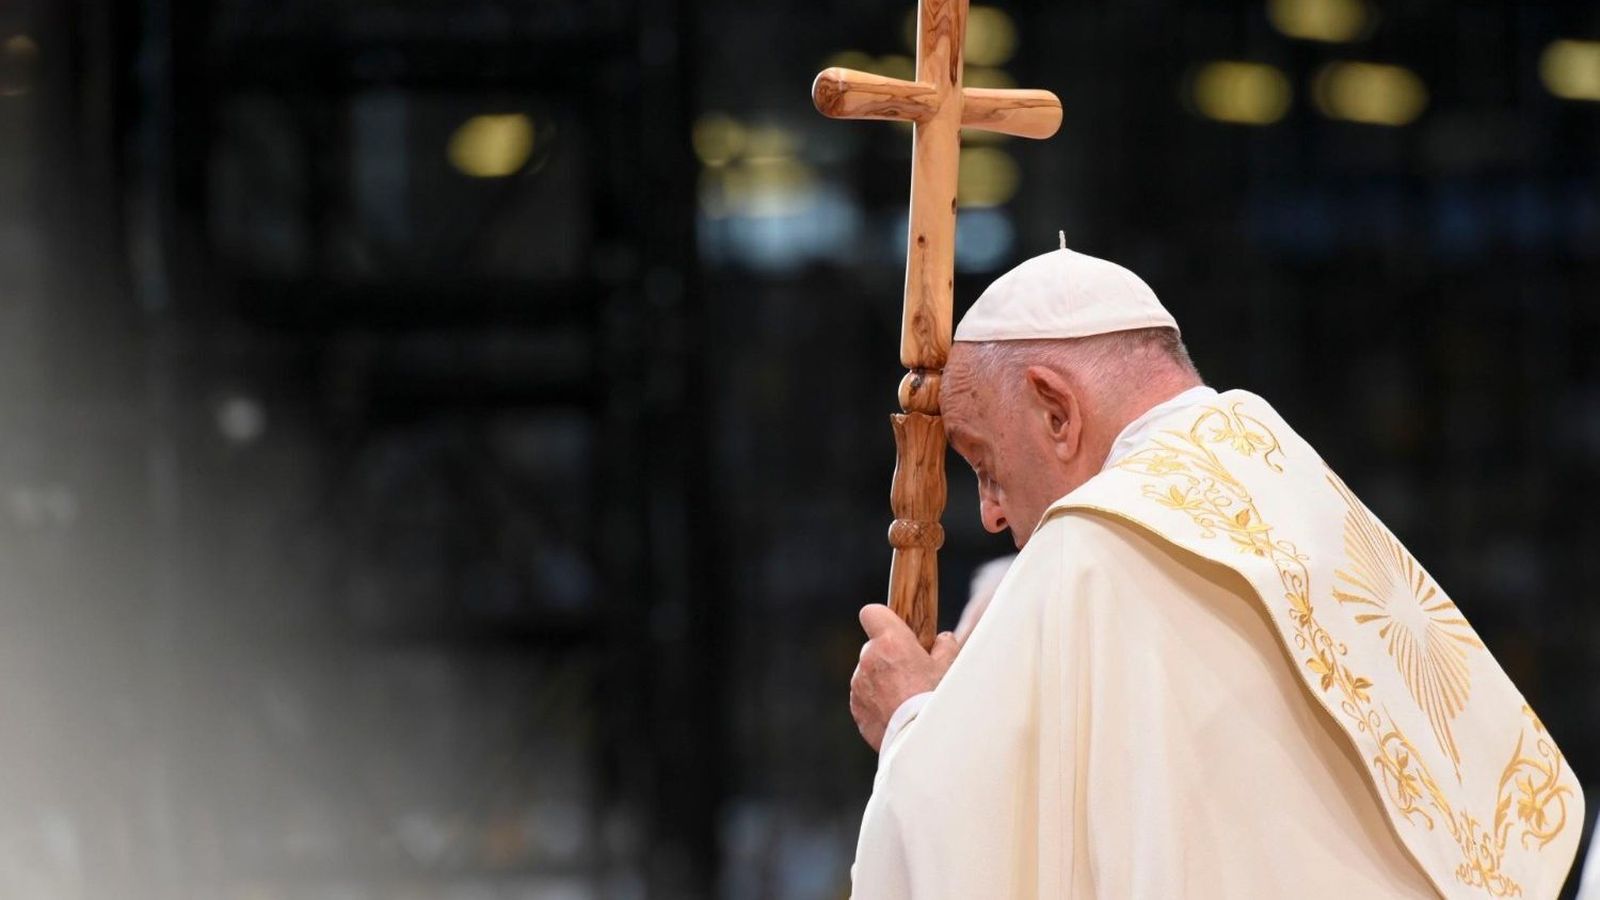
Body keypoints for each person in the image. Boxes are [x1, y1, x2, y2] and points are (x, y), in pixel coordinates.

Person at [847, 245, 1585, 899]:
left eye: (985, 465)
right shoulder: (1283, 467)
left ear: (1056, 410)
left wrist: (912, 720)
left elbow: (986, 851)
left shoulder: (1093, 547)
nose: (992, 514)